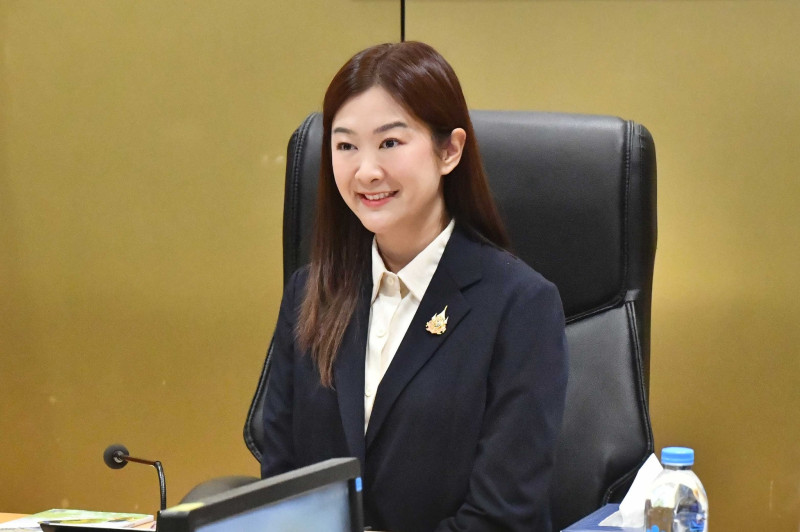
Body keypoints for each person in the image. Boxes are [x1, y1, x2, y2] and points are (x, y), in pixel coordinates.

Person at [261, 41, 568, 532]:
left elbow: (501, 517)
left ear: (450, 151)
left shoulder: (521, 305)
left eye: (390, 143)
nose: (366, 171)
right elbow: (280, 486)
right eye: (345, 146)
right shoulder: (309, 292)